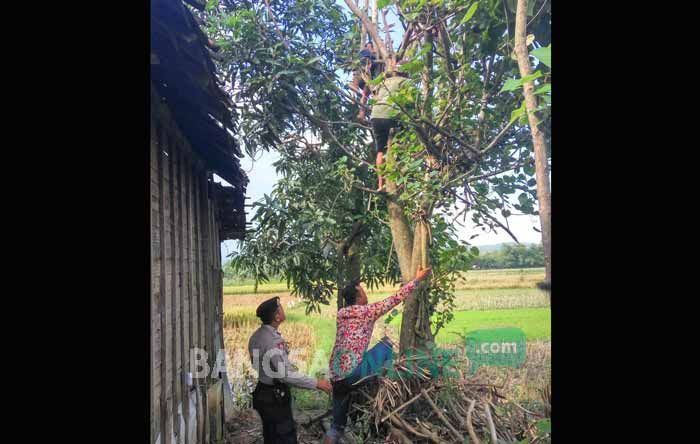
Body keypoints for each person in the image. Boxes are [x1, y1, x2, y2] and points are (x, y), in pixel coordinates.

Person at [321, 266, 432, 444]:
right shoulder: (367, 312)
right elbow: (395, 299)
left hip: (336, 377)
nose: (366, 294)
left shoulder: (341, 314)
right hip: (353, 374)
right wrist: (417, 279)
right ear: (358, 297)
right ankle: (386, 380)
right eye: (363, 292)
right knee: (387, 344)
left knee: (336, 427)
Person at [249, 297, 333, 443]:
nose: (283, 309)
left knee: (271, 436)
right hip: (274, 397)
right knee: (285, 436)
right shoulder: (273, 341)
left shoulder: (256, 336)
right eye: (280, 307)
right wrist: (316, 383)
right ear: (276, 316)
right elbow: (285, 376)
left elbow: (256, 364)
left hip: (262, 392)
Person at [369, 63, 410, 191]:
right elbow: (410, 100)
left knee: (380, 151)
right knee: (404, 141)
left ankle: (381, 185)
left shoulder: (384, 82)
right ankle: (399, 179)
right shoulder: (406, 82)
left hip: (375, 116)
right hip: (391, 115)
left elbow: (374, 94)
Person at [354, 42, 378, 121]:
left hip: (370, 79)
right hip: (367, 78)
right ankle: (362, 114)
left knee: (366, 95)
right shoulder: (366, 52)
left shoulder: (371, 54)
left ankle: (362, 114)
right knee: (366, 95)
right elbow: (367, 63)